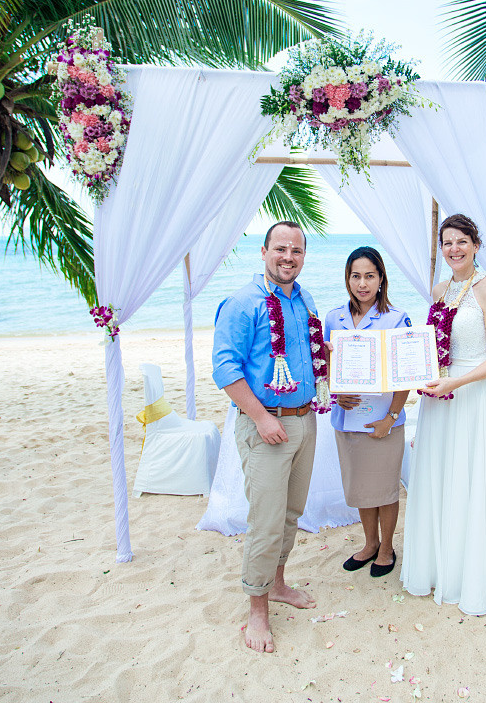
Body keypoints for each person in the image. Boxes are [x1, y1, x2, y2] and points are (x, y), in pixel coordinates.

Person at [401, 213, 486, 615]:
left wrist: (458, 381)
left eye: (461, 242)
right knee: (442, 477)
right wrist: (424, 374)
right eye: (447, 243)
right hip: (440, 400)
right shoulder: (439, 290)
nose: (454, 249)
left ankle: (473, 574)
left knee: (473, 479)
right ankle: (441, 566)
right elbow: (429, 347)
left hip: (474, 398)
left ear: (476, 244)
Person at [212, 221, 322, 653]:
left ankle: (277, 583)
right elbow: (226, 369)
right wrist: (260, 418)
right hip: (266, 425)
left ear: (303, 256)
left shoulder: (304, 299)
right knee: (266, 520)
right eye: (280, 249)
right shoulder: (243, 303)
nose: (288, 257)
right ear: (263, 252)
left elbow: (307, 354)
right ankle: (257, 610)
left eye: (296, 251)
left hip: (304, 420)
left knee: (292, 513)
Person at [325, 247, 412, 579]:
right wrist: (335, 391)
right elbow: (325, 365)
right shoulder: (334, 318)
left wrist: (390, 418)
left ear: (381, 279)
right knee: (362, 485)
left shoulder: (396, 318)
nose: (362, 283)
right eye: (355, 276)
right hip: (348, 420)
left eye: (369, 276)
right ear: (347, 278)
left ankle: (387, 547)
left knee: (385, 488)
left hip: (383, 420)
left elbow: (407, 372)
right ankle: (370, 543)